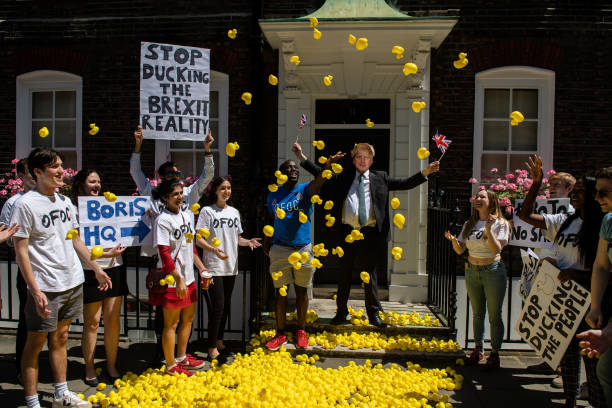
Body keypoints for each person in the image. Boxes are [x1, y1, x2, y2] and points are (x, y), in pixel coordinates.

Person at [294, 142, 439, 327]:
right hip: (347, 232)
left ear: (371, 160)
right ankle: (341, 313)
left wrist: (426, 172)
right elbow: (321, 174)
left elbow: (405, 183)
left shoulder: (381, 178)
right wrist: (301, 157)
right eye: (359, 157)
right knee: (344, 274)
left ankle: (374, 314)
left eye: (366, 157)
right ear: (354, 160)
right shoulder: (344, 177)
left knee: (370, 275)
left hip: (370, 234)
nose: (363, 160)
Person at [12, 148, 112, 408]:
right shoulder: (25, 204)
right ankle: (33, 401)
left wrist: (96, 267)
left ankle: (61, 393)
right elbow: (21, 251)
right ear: (37, 172)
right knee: (35, 343)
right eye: (54, 167)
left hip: (72, 280)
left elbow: (76, 240)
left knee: (62, 337)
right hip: (46, 285)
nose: (61, 172)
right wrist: (34, 290)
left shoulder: (65, 202)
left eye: (61, 166)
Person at [520, 155, 605, 408]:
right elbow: (526, 216)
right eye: (574, 190)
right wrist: (536, 184)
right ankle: (570, 400)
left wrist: (576, 275)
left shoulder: (600, 225)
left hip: (588, 298)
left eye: (580, 191)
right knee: (566, 354)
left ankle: (597, 400)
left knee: (590, 356)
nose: (575, 195)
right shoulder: (566, 221)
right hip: (563, 296)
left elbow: (602, 268)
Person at [131, 124, 214, 363]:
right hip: (162, 263)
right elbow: (135, 172)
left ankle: (178, 355)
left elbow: (206, 178)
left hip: (186, 264)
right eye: (170, 175)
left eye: (177, 175)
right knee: (166, 316)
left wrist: (207, 150)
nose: (176, 179)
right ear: (161, 180)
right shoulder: (152, 193)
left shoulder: (186, 200)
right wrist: (138, 145)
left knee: (183, 317)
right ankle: (165, 358)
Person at [264, 153, 343, 351]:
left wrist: (328, 164)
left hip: (303, 249)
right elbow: (270, 219)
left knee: (301, 291)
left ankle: (301, 330)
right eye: (289, 168)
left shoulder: (305, 190)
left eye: (295, 168)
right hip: (280, 249)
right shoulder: (273, 194)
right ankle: (280, 333)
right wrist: (267, 241)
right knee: (280, 293)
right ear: (280, 174)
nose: (293, 170)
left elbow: (321, 179)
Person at [195, 176, 262, 363]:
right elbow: (198, 239)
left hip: (231, 267)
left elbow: (236, 238)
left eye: (229, 188)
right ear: (215, 191)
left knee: (224, 308)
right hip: (213, 267)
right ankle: (211, 347)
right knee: (217, 307)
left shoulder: (234, 212)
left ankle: (219, 340)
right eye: (223, 188)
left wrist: (248, 242)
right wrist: (212, 249)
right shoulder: (207, 212)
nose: (227, 191)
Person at [71, 170, 127, 386]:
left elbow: (128, 225)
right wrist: (104, 255)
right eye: (92, 181)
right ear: (82, 184)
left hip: (114, 268)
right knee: (92, 323)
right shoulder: (75, 211)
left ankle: (112, 366)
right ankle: (90, 367)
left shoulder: (109, 206)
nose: (97, 185)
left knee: (113, 321)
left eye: (99, 181)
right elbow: (77, 243)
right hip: (90, 270)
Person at [445, 189, 509, 370]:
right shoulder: (469, 223)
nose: (478, 199)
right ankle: (478, 349)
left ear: (491, 201)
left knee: (494, 314)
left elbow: (497, 249)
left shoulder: (501, 223)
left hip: (493, 270)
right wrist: (452, 241)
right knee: (477, 313)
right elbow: (460, 250)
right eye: (477, 197)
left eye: (482, 197)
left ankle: (494, 353)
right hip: (472, 270)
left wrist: (489, 229)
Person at [151, 179, 209, 376]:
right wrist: (178, 278)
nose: (179, 197)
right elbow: (164, 254)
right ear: (165, 198)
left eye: (180, 193)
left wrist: (201, 269)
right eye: (174, 194)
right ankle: (169, 365)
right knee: (171, 324)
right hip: (173, 280)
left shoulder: (187, 215)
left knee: (188, 319)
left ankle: (182, 357)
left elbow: (190, 246)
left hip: (189, 277)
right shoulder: (162, 220)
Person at [524, 171, 576, 380]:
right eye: (550, 185)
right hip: (543, 269)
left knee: (562, 321)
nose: (551, 188)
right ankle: (550, 361)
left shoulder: (570, 214)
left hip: (561, 271)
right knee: (547, 319)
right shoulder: (546, 210)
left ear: (569, 189)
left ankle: (565, 371)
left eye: (557, 185)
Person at [577, 166, 612, 407]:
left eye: (604, 192)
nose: (597, 198)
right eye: (597, 192)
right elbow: (601, 266)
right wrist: (596, 306)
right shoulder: (609, 221)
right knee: (605, 372)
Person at [0, 158, 33, 377]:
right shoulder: (14, 203)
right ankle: (23, 368)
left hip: (51, 269)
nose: (35, 175)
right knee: (26, 318)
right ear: (20, 175)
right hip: (27, 268)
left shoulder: (52, 199)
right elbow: (5, 234)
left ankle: (38, 365)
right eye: (30, 171)